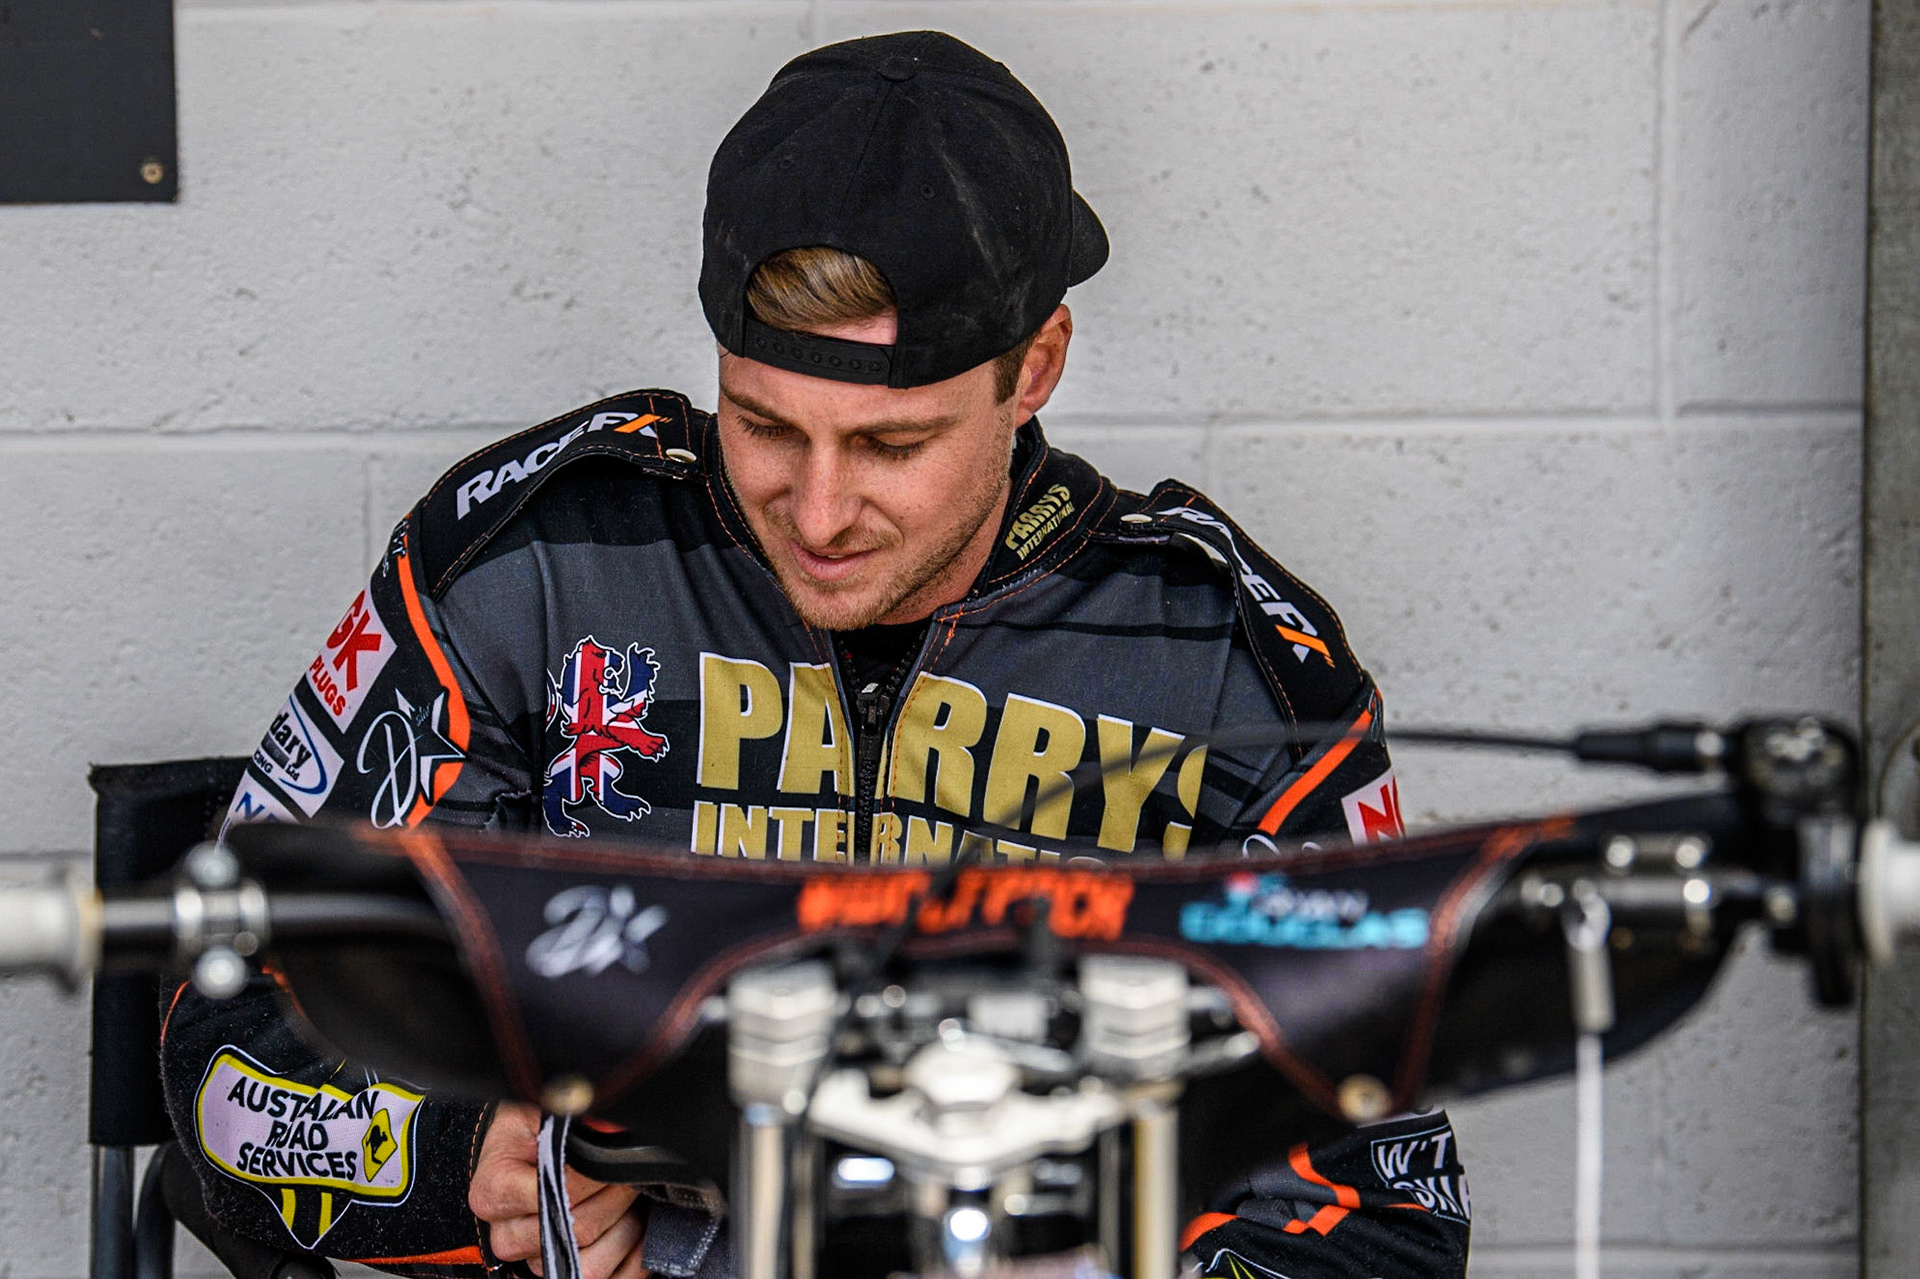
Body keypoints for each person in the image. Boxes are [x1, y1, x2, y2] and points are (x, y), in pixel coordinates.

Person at [160, 30, 1467, 1279]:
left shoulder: (1226, 659)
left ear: (1038, 368)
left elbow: (1383, 1210)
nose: (823, 510)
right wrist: (467, 1166)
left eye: (893, 446)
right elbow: (225, 1038)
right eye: (766, 426)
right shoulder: (528, 562)